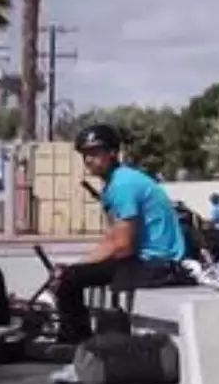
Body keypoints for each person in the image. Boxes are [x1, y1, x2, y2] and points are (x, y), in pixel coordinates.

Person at [52, 124, 191, 344]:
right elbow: (113, 237)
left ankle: (77, 344)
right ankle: (79, 339)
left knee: (68, 281)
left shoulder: (123, 186)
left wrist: (74, 271)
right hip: (147, 258)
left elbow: (123, 245)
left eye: (95, 153)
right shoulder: (118, 182)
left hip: (156, 264)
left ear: (113, 153)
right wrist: (80, 264)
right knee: (70, 274)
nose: (89, 159)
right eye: (85, 154)